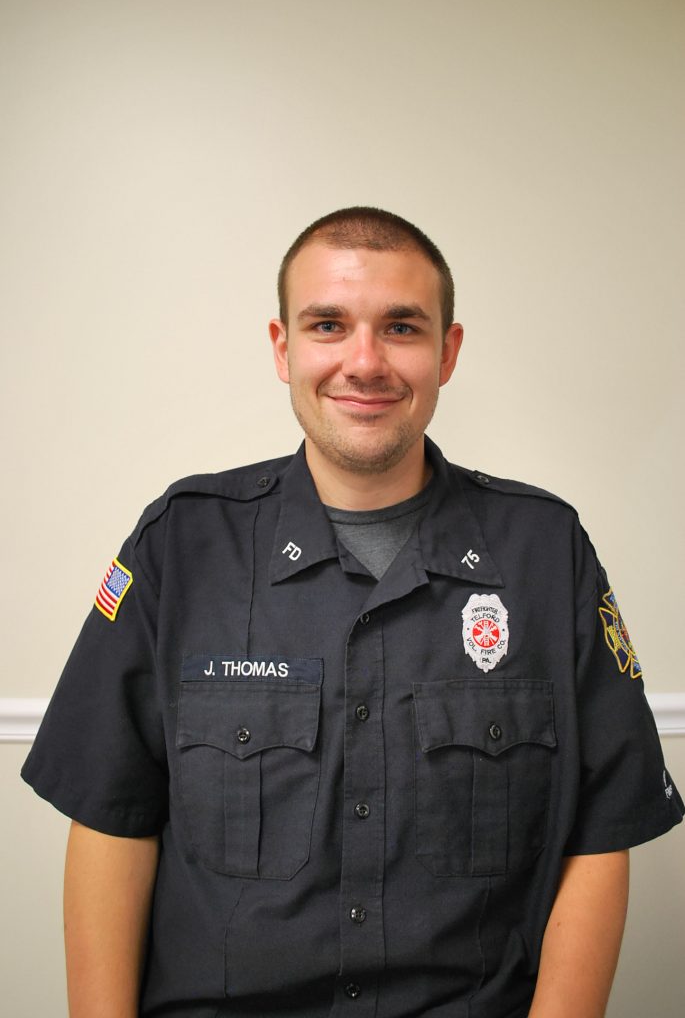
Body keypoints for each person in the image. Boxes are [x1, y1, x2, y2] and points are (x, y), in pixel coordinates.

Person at [23, 206, 683, 1018]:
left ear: (447, 351)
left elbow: (599, 829)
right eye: (328, 325)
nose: (363, 362)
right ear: (283, 347)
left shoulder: (545, 550)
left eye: (401, 327)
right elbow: (111, 815)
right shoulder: (182, 544)